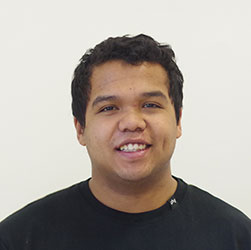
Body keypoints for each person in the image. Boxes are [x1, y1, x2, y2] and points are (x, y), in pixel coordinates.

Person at [0, 34, 250, 250]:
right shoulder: (18, 239)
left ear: (178, 121)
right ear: (80, 129)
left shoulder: (235, 237)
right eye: (109, 107)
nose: (132, 122)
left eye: (150, 105)